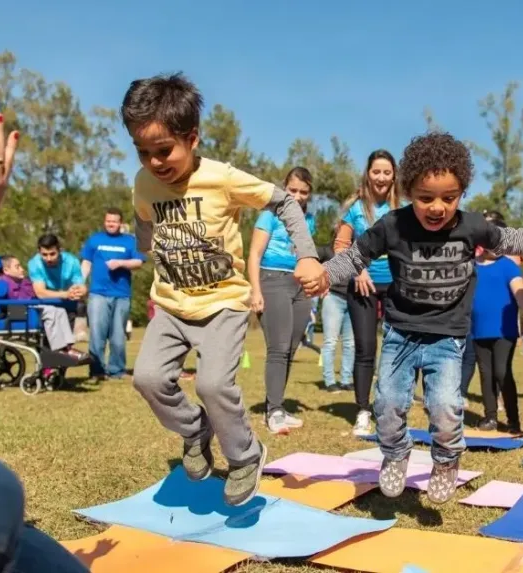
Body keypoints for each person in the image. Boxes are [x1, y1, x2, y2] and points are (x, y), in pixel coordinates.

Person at [303, 132, 523, 504]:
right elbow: (355, 256)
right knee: (387, 404)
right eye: (425, 198)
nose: (437, 208)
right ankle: (395, 453)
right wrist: (325, 274)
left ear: (462, 192)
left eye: (449, 197)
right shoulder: (393, 225)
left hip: (447, 336)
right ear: (408, 191)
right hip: (400, 333)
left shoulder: (471, 226)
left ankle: (446, 460)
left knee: (445, 406)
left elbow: (507, 239)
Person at [124, 73, 323, 507]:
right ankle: (195, 430)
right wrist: (146, 245)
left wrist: (307, 255)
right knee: (148, 378)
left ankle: (245, 455)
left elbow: (284, 202)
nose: (154, 162)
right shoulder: (143, 182)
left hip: (223, 304)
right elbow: (143, 214)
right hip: (172, 304)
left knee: (213, 385)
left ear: (192, 138)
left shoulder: (222, 178)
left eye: (164, 150)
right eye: (143, 151)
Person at [0, 108, 90, 572]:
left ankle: (63, 351)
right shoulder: (8, 282)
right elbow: (30, 296)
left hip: (36, 311)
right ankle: (63, 350)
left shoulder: (35, 273)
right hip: (17, 317)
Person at [334, 150, 402, 436]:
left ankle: (390, 409)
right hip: (362, 285)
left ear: (394, 176)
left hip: (396, 286)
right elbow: (341, 246)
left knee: (396, 349)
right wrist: (358, 270)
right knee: (365, 348)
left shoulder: (403, 208)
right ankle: (363, 411)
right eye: (377, 172)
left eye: (387, 172)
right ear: (368, 174)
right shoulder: (356, 208)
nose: (381, 178)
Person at [248, 166, 316, 435]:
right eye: (292, 190)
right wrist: (255, 291)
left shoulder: (309, 220)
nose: (297, 196)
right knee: (278, 349)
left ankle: (275, 405)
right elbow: (254, 254)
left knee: (291, 349)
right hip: (272, 280)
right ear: (283, 188)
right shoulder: (269, 214)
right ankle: (274, 411)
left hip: (300, 285)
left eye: (304, 192)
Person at [470, 210, 523, 433]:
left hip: (504, 332)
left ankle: (513, 420)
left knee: (502, 372)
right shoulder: (471, 266)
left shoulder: (508, 266)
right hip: (478, 331)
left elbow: (520, 293)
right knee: (486, 374)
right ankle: (490, 417)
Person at [81, 208, 145, 381]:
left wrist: (120, 263)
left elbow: (138, 262)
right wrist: (80, 282)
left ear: (120, 223)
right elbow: (86, 262)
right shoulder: (95, 239)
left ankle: (117, 370)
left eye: (114, 221)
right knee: (97, 333)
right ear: (105, 221)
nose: (111, 224)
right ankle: (97, 371)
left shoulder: (130, 241)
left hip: (122, 294)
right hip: (98, 294)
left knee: (118, 335)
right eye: (108, 221)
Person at [0, 255, 89, 362]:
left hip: (29, 307)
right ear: (6, 270)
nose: (22, 269)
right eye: (17, 267)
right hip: (17, 311)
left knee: (60, 310)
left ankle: (68, 347)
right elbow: (6, 302)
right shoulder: (2, 283)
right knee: (51, 311)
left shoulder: (23, 281)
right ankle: (59, 349)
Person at [318, 230, 354, 394]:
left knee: (350, 343)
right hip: (333, 299)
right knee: (330, 342)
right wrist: (320, 284)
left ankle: (346, 380)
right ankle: (330, 381)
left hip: (353, 300)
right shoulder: (327, 251)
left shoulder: (356, 253)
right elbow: (310, 261)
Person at [28, 234, 87, 303]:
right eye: (44, 254)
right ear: (39, 252)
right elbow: (41, 293)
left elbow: (81, 286)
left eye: (52, 254)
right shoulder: (34, 263)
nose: (49, 259)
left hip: (70, 301)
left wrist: (80, 292)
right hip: (46, 303)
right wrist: (66, 294)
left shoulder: (72, 262)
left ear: (60, 251)